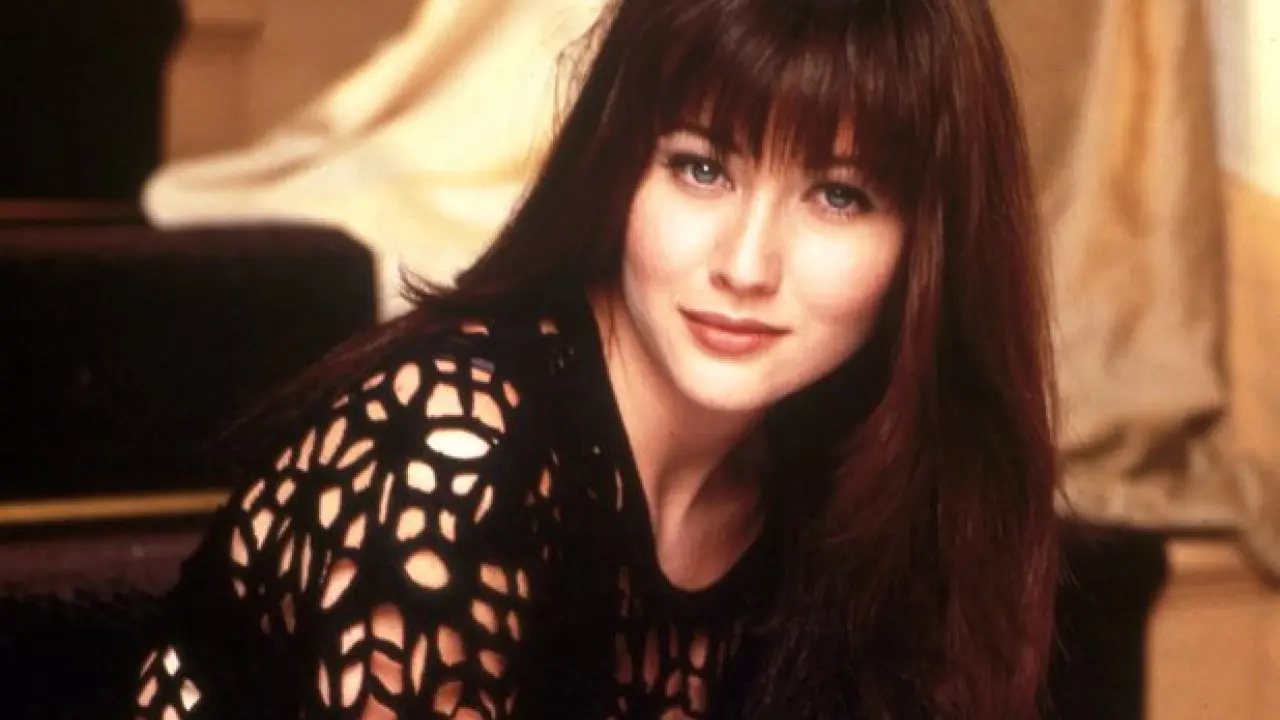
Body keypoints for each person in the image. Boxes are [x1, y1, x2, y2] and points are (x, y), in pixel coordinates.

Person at [133, 0, 1059, 717]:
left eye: (838, 196)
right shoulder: (455, 449)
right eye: (702, 168)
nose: (746, 266)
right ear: (618, 167)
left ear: (927, 242)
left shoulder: (859, 491)